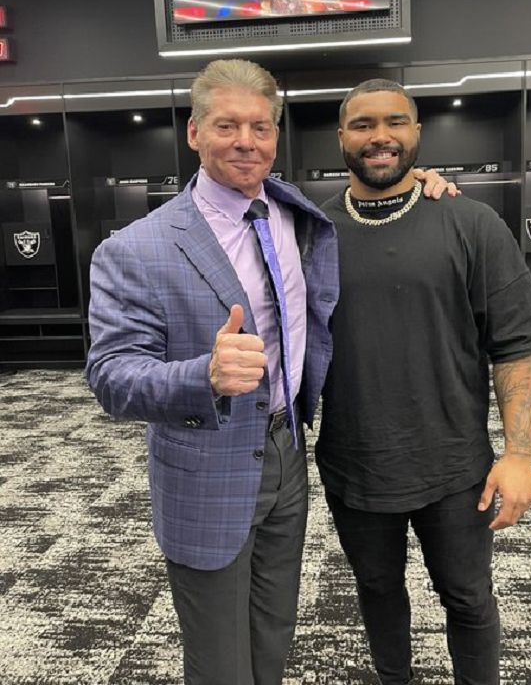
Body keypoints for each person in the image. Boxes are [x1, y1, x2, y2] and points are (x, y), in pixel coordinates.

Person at [84, 59, 453, 685]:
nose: (246, 142)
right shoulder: (136, 248)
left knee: (274, 633)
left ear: (276, 136)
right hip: (205, 464)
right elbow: (112, 376)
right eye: (227, 126)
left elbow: (373, 203)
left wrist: (421, 183)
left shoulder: (298, 216)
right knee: (220, 661)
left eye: (260, 127)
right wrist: (202, 374)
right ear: (195, 133)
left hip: (287, 451)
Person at [317, 78, 531, 685]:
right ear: (341, 137)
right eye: (363, 125)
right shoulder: (309, 232)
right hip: (353, 462)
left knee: (468, 598)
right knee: (376, 589)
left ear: (418, 133)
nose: (381, 137)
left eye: (396, 123)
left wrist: (520, 454)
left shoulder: (471, 222)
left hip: (455, 467)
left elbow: (514, 346)